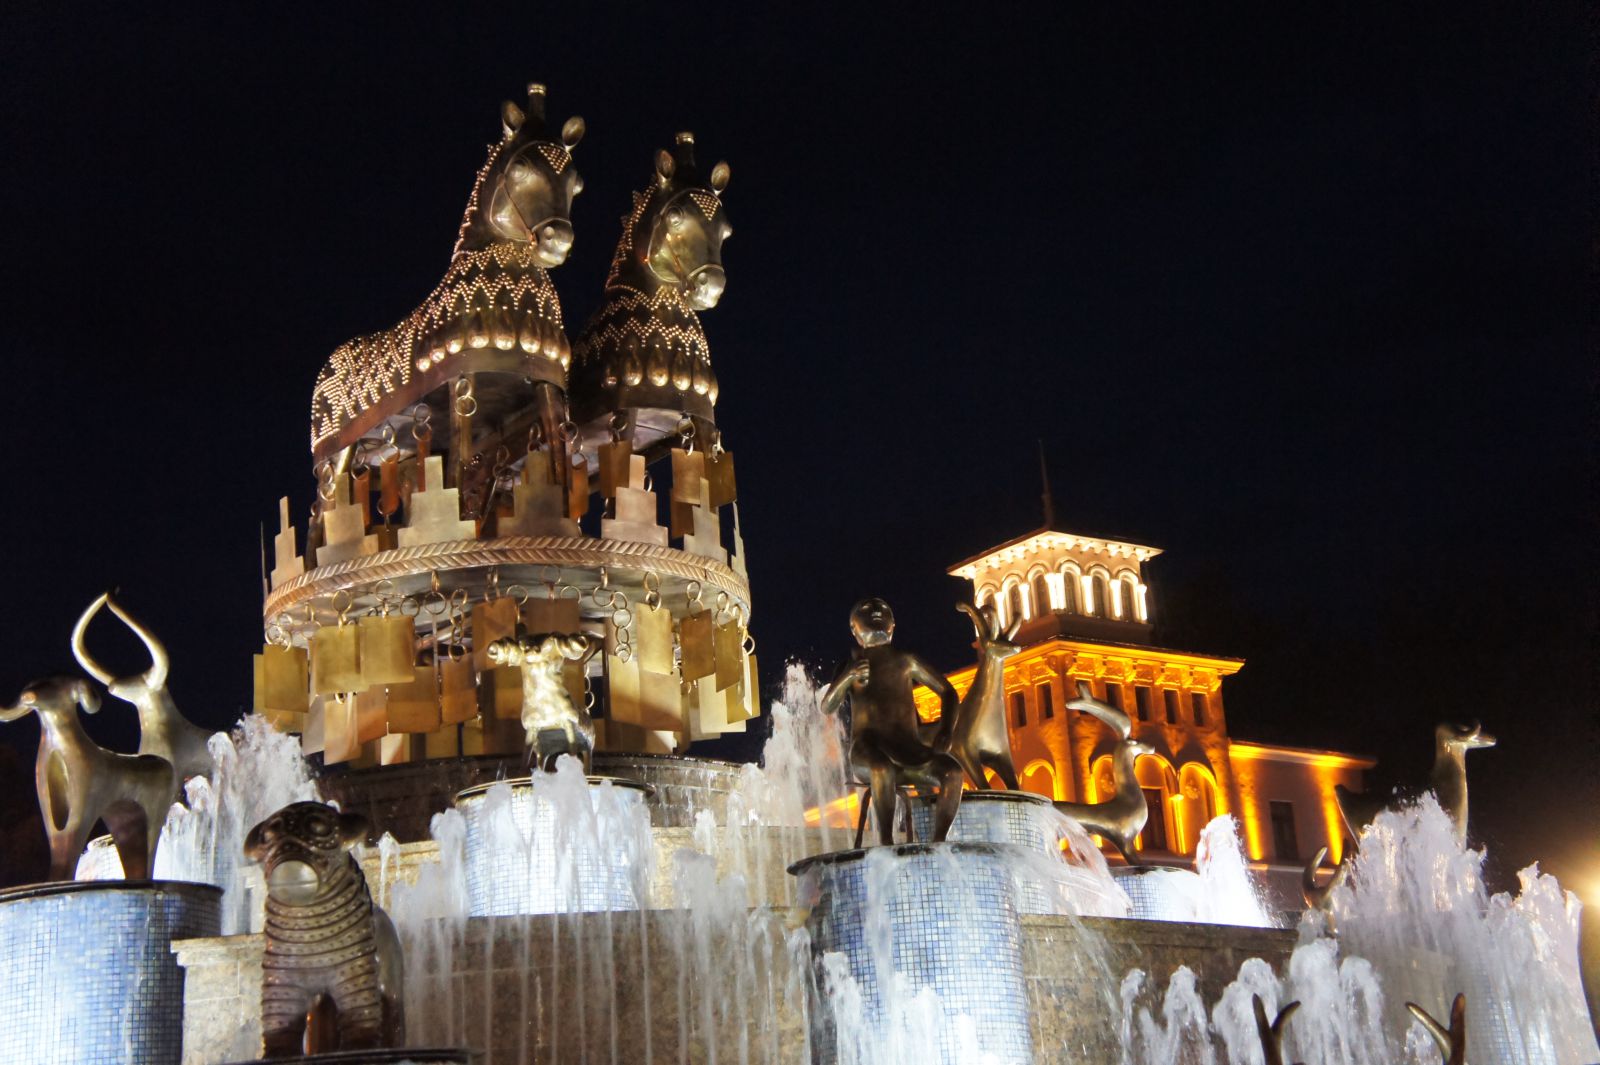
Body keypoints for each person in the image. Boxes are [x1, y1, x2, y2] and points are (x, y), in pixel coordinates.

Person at [821, 597, 965, 845]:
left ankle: (939, 841)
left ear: (893, 625)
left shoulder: (906, 660)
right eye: (865, 610)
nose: (876, 611)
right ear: (854, 629)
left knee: (952, 771)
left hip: (911, 750)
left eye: (883, 609)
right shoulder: (851, 665)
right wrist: (848, 676)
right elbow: (827, 706)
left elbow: (948, 692)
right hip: (867, 750)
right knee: (881, 768)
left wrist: (946, 730)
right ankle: (886, 841)